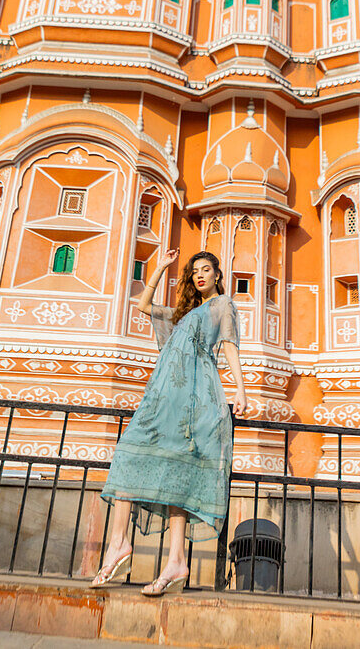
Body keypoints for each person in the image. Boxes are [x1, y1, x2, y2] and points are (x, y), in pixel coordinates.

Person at [91, 247, 246, 595]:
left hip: (196, 394)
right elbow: (144, 306)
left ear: (218, 275)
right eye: (195, 272)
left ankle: (175, 561)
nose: (200, 276)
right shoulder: (185, 313)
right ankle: (119, 544)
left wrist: (240, 389)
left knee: (179, 473)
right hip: (163, 395)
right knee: (130, 453)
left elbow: (230, 344)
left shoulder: (223, 305)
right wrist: (160, 267)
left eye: (206, 270)